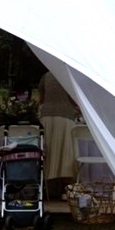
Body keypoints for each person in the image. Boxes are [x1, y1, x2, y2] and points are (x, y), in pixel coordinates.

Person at [39, 70, 81, 199]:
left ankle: (49, 188)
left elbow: (42, 98)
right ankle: (66, 189)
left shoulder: (45, 76)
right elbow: (73, 97)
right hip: (65, 117)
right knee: (66, 153)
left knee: (49, 153)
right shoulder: (69, 75)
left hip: (46, 117)